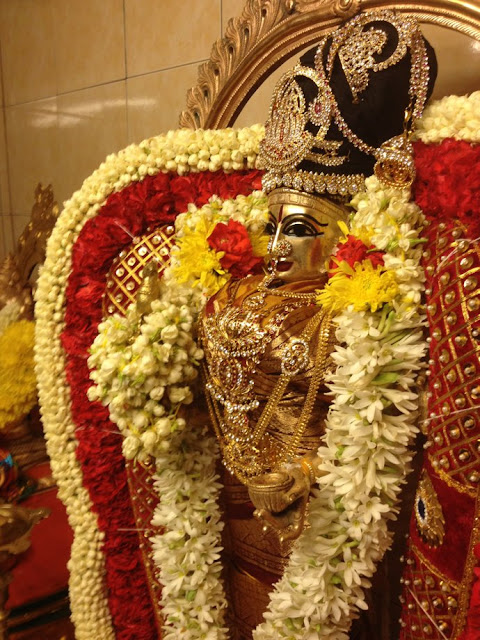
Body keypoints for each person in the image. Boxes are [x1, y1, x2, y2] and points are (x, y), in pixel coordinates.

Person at [200, 9, 437, 639]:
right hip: (230, 531)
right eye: (271, 226)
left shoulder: (366, 313)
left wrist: (302, 476)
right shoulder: (232, 292)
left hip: (324, 532)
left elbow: (385, 442)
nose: (277, 247)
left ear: (347, 237)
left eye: (301, 228)